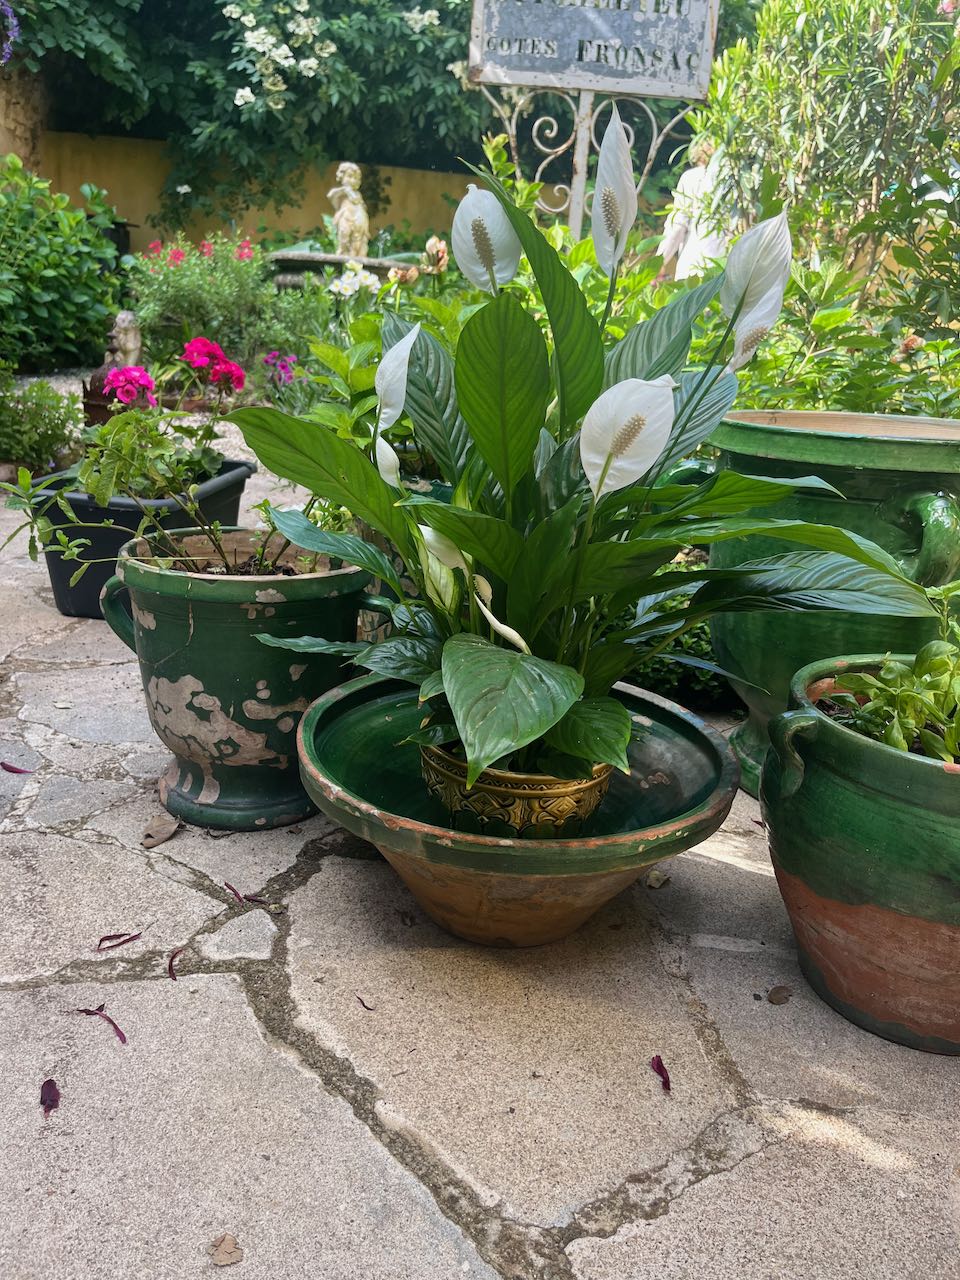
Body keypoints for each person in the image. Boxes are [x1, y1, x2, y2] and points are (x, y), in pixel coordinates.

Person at [655, 139, 727, 282]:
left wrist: (659, 263)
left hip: (694, 267)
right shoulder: (738, 179)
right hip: (726, 270)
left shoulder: (692, 178)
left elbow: (678, 225)